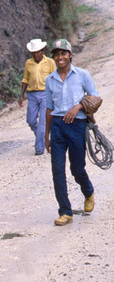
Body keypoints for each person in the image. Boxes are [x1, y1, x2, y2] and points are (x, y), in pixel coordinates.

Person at [45, 39, 97, 226]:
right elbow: (49, 109)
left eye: (63, 53)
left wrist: (79, 106)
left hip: (77, 125)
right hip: (58, 126)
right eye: (57, 54)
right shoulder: (49, 79)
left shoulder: (82, 75)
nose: (60, 57)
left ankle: (88, 191)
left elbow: (95, 97)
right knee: (57, 170)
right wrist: (47, 136)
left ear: (70, 55)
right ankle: (65, 211)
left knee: (77, 169)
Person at [18, 39, 56, 155]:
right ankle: (43, 136)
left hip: (46, 94)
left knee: (43, 122)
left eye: (37, 52)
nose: (35, 54)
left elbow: (55, 78)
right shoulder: (28, 63)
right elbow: (25, 79)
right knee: (31, 120)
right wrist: (21, 96)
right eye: (33, 52)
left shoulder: (50, 62)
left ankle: (39, 148)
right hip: (32, 94)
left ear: (42, 51)